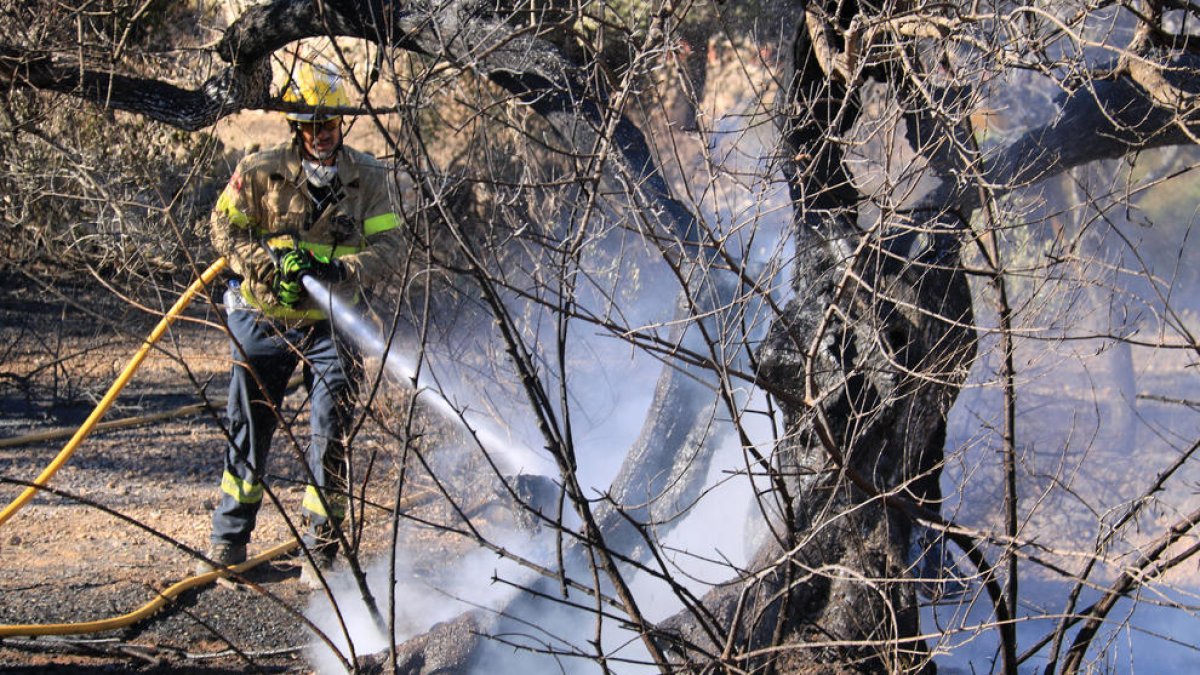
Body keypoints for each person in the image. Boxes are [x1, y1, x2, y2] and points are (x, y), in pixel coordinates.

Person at [198, 62, 403, 587]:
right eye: (309, 126)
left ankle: (324, 549)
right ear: (295, 128)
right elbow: (223, 230)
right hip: (262, 315)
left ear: (341, 125)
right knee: (250, 426)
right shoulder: (260, 169)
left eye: (328, 124)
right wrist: (266, 267)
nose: (319, 136)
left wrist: (337, 270)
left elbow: (392, 247)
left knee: (331, 425)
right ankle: (229, 541)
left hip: (331, 322)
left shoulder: (368, 177)